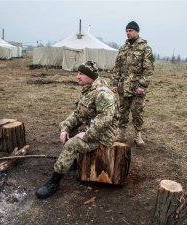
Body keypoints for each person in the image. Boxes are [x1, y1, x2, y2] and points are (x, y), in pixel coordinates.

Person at [36, 61, 117, 199]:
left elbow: (105, 119)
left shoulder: (103, 93)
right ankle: (71, 161)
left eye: (81, 74)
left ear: (91, 76)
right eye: (78, 73)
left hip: (103, 135)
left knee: (71, 144)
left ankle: (54, 182)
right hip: (91, 127)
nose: (77, 76)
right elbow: (78, 114)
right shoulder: (88, 89)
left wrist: (86, 135)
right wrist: (65, 127)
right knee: (65, 127)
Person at [111, 21, 154, 146]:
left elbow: (148, 69)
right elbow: (117, 67)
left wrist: (142, 86)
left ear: (137, 31)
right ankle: (121, 134)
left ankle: (137, 135)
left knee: (137, 112)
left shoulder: (145, 48)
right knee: (122, 111)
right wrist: (114, 83)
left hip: (137, 88)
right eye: (127, 30)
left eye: (130, 30)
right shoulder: (123, 48)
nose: (128, 33)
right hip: (123, 87)